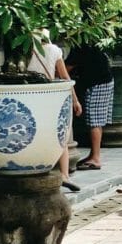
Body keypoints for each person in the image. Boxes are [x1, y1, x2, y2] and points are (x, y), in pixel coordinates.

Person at [27, 30, 83, 191]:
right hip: (51, 96)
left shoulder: (26, 50)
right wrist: (75, 100)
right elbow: (65, 78)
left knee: (37, 135)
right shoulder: (54, 50)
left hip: (31, 96)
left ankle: (38, 171)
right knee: (61, 135)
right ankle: (64, 174)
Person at [64, 43, 113, 171]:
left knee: (94, 120)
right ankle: (93, 155)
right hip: (103, 80)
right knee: (97, 119)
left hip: (97, 83)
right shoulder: (88, 43)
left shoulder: (80, 46)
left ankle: (95, 158)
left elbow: (66, 68)